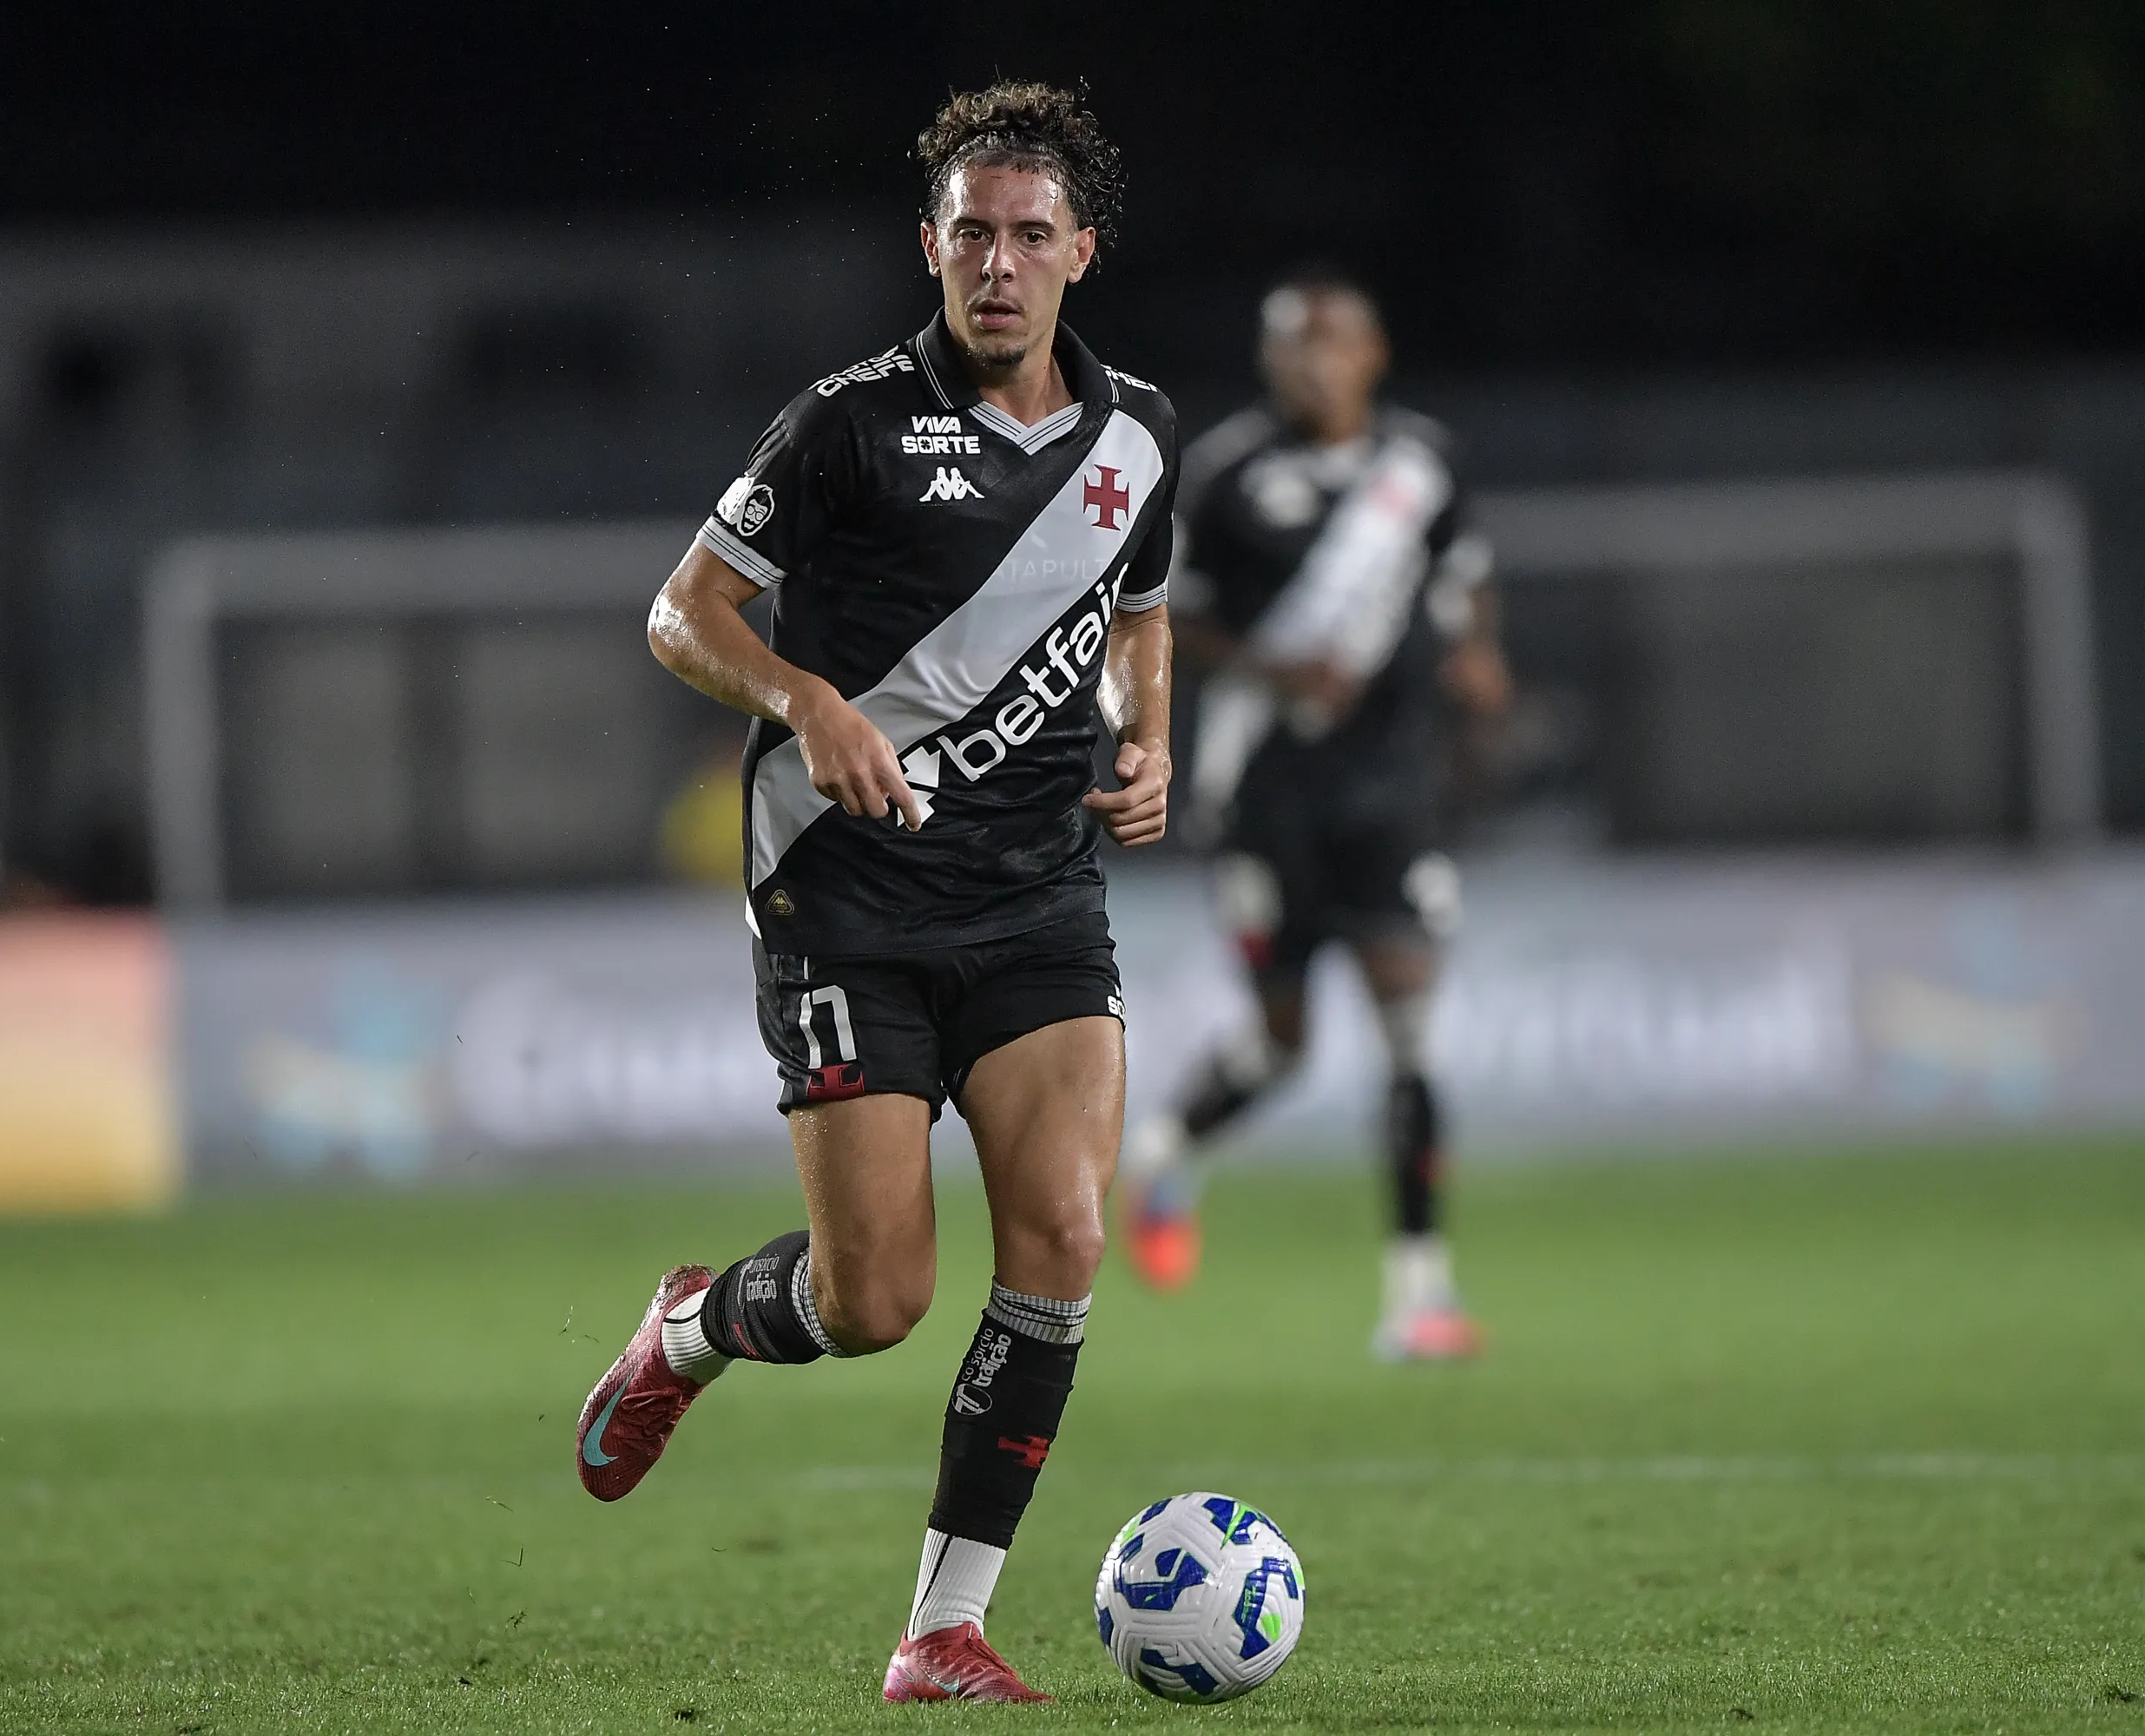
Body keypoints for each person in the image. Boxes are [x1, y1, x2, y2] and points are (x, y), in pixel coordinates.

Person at [576, 82, 1176, 1706]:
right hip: (848, 901)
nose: (997, 263)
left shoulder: (1139, 442)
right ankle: (690, 1331)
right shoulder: (843, 422)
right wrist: (807, 703)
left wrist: (1152, 742)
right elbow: (681, 615)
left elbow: (1141, 612)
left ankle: (942, 1629)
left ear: (1080, 253)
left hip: (1042, 901)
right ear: (931, 245)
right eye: (969, 233)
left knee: (1060, 1234)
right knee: (876, 1301)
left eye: (1028, 235)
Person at [1119, 268, 1510, 1360]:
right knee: (1284, 1044)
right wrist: (1273, 667)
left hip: (1390, 789)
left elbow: (1466, 573)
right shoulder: (1229, 474)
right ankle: (1162, 1153)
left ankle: (1419, 1294)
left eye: (1332, 341)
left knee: (1409, 1023)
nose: (1312, 361)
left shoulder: (1422, 463)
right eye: (1292, 343)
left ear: (1372, 354)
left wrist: (1479, 654)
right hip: (1264, 792)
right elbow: (1157, 619)